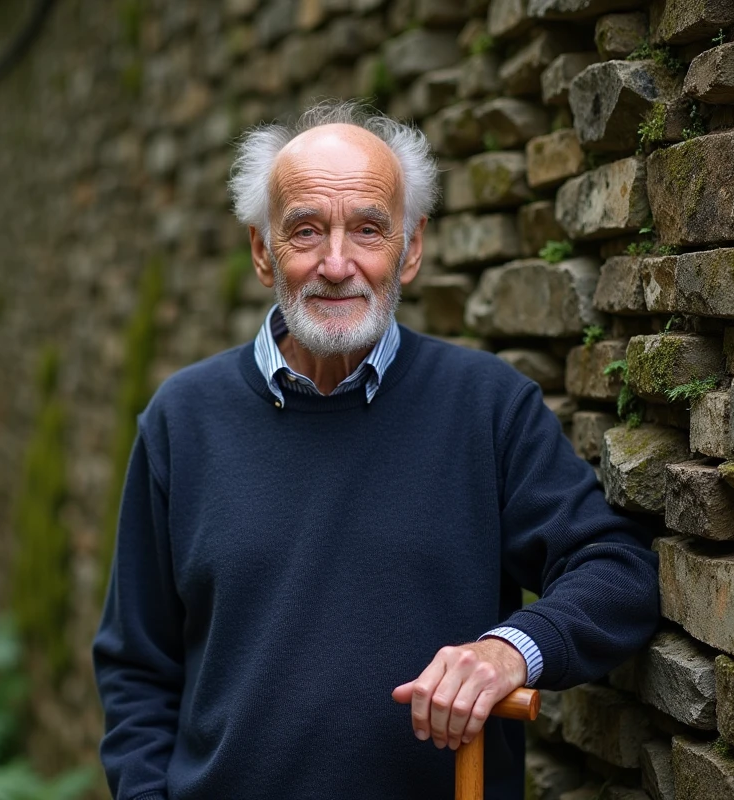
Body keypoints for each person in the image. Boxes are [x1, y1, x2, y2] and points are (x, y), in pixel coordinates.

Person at [92, 101, 660, 800]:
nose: (337, 264)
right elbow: (136, 670)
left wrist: (511, 649)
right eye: (306, 231)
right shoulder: (181, 421)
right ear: (263, 249)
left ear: (411, 248)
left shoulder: (487, 407)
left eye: (368, 229)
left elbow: (619, 570)